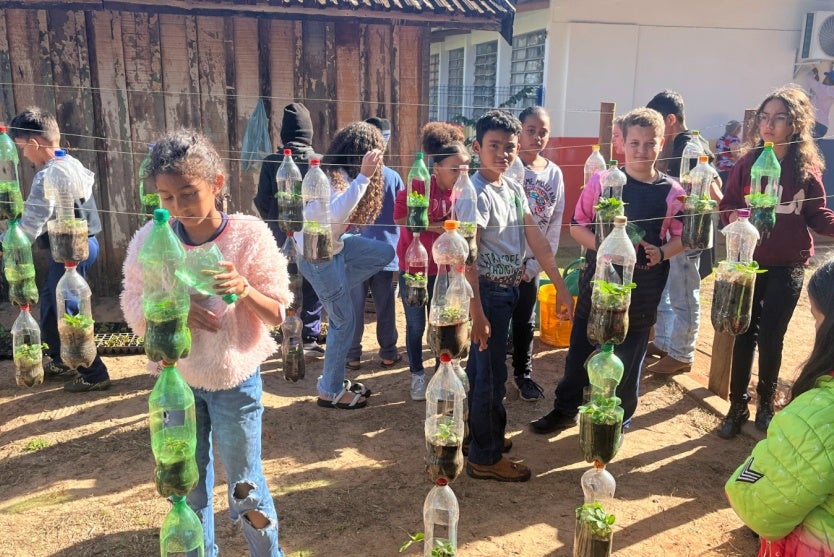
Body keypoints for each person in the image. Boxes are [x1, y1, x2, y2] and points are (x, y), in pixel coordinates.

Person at [121, 130, 290, 555]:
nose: (178, 207)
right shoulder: (150, 241)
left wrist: (245, 288)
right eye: (166, 197)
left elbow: (279, 312)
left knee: (245, 488)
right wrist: (172, 308)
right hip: (176, 384)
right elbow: (132, 303)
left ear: (216, 183)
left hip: (235, 382)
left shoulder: (249, 235)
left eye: (188, 193)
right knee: (187, 486)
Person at [530, 107, 685, 435]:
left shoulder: (673, 192)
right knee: (580, 353)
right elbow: (577, 226)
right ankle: (565, 409)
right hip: (598, 283)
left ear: (662, 144)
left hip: (642, 289)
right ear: (622, 145)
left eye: (649, 143)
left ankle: (619, 417)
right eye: (634, 143)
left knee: (628, 360)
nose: (641, 150)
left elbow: (681, 237)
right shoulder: (605, 181)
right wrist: (607, 250)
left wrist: (661, 252)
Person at [717, 85, 834, 438]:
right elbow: (727, 205)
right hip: (748, 266)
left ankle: (765, 405)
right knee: (743, 333)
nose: (769, 125)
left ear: (795, 124)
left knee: (772, 337)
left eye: (779, 118)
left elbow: (817, 215)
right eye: (764, 118)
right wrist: (738, 225)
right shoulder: (747, 163)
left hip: (789, 264)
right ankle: (736, 406)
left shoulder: (805, 171)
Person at [464, 109, 574, 482]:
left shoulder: (510, 187)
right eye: (494, 146)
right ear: (477, 147)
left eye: (509, 147)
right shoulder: (474, 193)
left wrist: (560, 286)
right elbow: (468, 257)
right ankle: (485, 456)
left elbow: (537, 240)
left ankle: (481, 435)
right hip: (488, 295)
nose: (503, 154)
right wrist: (476, 311)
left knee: (484, 372)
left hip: (508, 290)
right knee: (490, 376)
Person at [725, 259, 834, 556]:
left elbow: (758, 506)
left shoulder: (818, 412)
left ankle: (757, 408)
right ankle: (740, 407)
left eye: (816, 317)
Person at [8, 107, 111, 392]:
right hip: (84, 244)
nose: (24, 157)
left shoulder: (48, 176)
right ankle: (60, 358)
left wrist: (8, 243)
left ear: (33, 144)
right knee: (51, 301)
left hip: (71, 252)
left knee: (67, 312)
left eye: (22, 149)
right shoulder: (71, 163)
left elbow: (31, 224)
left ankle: (94, 373)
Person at [296, 121, 393, 410]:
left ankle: (334, 290)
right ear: (358, 153)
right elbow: (332, 220)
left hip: (333, 251)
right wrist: (365, 177)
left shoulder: (342, 176)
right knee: (344, 321)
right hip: (318, 257)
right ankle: (330, 390)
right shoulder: (330, 177)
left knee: (383, 253)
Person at [644, 90, 721, 376]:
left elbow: (704, 192)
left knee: (684, 292)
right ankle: (664, 342)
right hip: (677, 231)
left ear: (671, 119)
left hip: (688, 234)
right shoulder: (685, 144)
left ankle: (682, 353)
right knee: (667, 288)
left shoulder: (688, 146)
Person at [393, 122, 468, 400]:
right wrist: (433, 225)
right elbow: (399, 218)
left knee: (443, 324)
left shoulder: (464, 191)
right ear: (436, 168)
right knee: (416, 325)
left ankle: (441, 374)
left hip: (446, 270)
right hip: (415, 269)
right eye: (455, 169)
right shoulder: (419, 184)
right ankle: (416, 375)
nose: (462, 174)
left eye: (466, 168)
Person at [254, 102, 325, 355]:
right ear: (309, 132)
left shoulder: (273, 161)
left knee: (284, 282)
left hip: (280, 235)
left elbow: (261, 200)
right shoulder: (319, 162)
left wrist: (275, 222)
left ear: (284, 133)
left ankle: (287, 334)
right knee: (313, 283)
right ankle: (309, 337)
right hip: (313, 235)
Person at [509, 106, 565, 401]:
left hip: (532, 262)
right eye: (531, 130)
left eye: (543, 131)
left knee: (525, 320)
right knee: (493, 315)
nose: (537, 137)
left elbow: (554, 224)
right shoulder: (508, 166)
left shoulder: (554, 173)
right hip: (502, 261)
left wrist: (535, 266)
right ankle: (481, 371)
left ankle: (523, 373)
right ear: (519, 131)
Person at [346, 117, 403, 370]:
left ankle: (352, 355)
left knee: (355, 307)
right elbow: (402, 217)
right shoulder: (393, 177)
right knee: (386, 306)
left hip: (357, 253)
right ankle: (389, 353)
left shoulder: (354, 178)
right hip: (386, 253)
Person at [801, 66, 834, 139]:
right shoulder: (828, 91)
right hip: (822, 126)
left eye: (827, 78)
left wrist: (813, 72)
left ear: (832, 81)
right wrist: (817, 82)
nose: (825, 79)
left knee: (803, 143)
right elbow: (817, 93)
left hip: (816, 124)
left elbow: (809, 79)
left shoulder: (825, 90)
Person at [715, 119, 742, 186]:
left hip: (719, 169)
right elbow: (736, 155)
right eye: (739, 128)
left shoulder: (721, 139)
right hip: (730, 169)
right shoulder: (734, 139)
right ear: (736, 129)